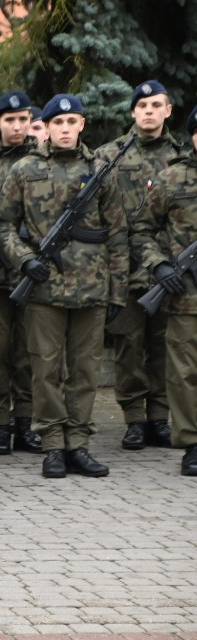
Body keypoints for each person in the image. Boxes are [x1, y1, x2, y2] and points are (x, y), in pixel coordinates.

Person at [0, 94, 128, 479]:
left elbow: (118, 235)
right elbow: (2, 226)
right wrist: (25, 260)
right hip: (44, 289)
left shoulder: (101, 169)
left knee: (85, 372)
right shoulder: (24, 169)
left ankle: (79, 444)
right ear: (48, 127)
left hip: (92, 287)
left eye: (72, 123)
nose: (66, 130)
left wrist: (117, 290)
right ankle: (53, 445)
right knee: (46, 370)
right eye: (59, 124)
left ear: (82, 126)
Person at [96, 80, 184, 451]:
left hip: (172, 269)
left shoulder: (182, 156)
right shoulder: (108, 156)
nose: (148, 111)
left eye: (156, 105)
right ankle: (133, 418)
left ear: (168, 111)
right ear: (132, 112)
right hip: (125, 267)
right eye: (142, 106)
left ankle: (159, 419)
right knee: (128, 345)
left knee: (164, 344)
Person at [0, 90, 44, 455]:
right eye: (10, 120)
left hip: (33, 273)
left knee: (28, 350)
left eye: (23, 119)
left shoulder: (40, 158)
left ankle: (26, 421)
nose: (17, 126)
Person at [131, 105, 197, 477]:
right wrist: (159, 264)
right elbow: (142, 231)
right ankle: (191, 443)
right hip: (185, 295)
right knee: (184, 373)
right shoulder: (171, 179)